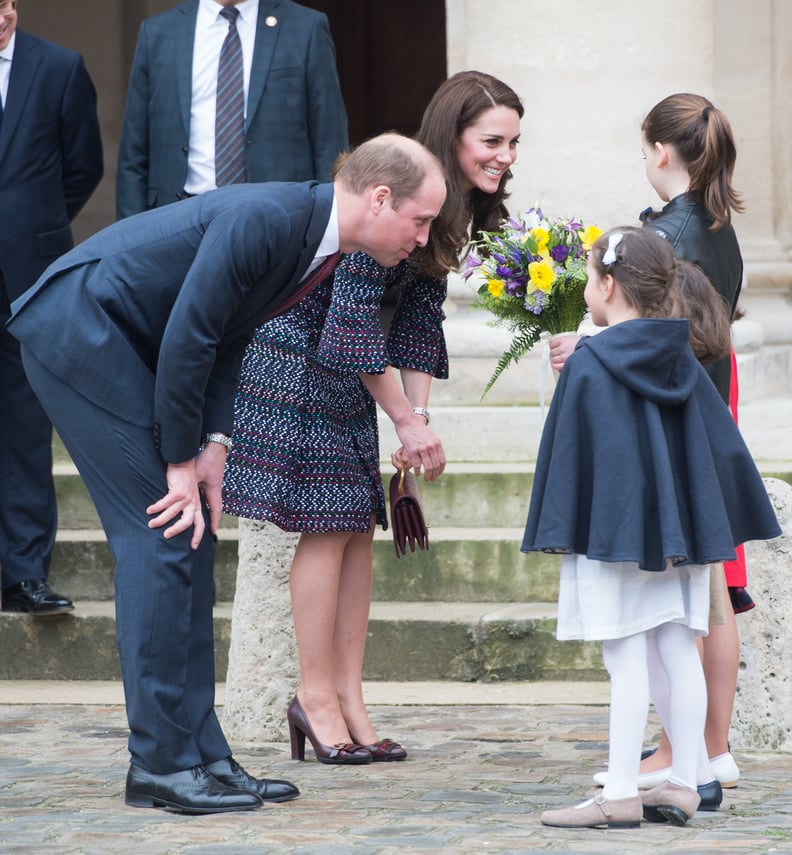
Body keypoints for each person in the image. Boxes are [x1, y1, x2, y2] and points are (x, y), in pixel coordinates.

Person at [8, 133, 447, 812]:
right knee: (160, 536)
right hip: (81, 328)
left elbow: (230, 333)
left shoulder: (320, 237)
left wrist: (214, 443)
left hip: (134, 343)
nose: (422, 239)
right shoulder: (272, 219)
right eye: (419, 221)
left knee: (193, 536)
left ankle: (203, 753)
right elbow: (191, 331)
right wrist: (180, 462)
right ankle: (158, 763)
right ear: (380, 198)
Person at [222, 70, 523, 763]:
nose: (506, 154)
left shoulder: (450, 208)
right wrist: (406, 423)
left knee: (356, 526)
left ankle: (349, 698)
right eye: (492, 139)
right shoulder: (402, 186)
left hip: (352, 370)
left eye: (513, 141)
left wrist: (415, 423)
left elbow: (416, 323)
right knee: (328, 530)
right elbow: (352, 317)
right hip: (297, 360)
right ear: (455, 135)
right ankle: (314, 697)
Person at [525, 227, 780, 830]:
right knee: (675, 646)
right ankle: (686, 781)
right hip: (680, 536)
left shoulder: (592, 361)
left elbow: (573, 454)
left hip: (615, 537)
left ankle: (618, 790)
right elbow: (716, 447)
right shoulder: (682, 357)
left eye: (589, 279)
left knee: (625, 655)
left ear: (608, 286)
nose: (587, 290)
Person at [551, 93, 748, 792]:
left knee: (689, 600)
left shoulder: (671, 233)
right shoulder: (717, 224)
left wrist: (593, 343)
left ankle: (685, 751)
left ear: (660, 152)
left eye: (643, 148)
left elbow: (665, 332)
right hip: (707, 402)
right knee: (713, 590)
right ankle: (705, 749)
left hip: (671, 416)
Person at [0, 0, 103, 616]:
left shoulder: (60, 67)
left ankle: (24, 574)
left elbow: (83, 165)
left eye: (7, 2)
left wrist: (29, 226)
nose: (2, 15)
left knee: (26, 424)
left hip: (28, 272)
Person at [116, 0, 348, 218]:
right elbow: (134, 152)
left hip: (279, 218)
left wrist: (327, 229)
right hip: (179, 216)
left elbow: (329, 141)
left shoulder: (305, 27)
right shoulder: (158, 32)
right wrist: (127, 237)